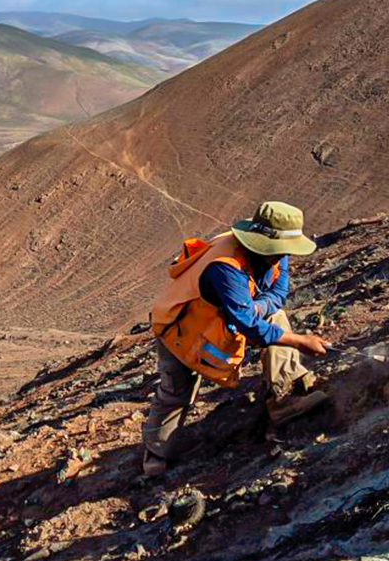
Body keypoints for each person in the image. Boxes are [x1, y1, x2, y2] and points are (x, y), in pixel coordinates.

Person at [141, 201, 332, 476]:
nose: (284, 256)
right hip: (182, 330)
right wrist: (300, 341)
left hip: (221, 323)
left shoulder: (277, 252)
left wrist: (257, 308)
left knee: (276, 317)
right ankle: (156, 451)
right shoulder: (226, 266)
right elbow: (249, 326)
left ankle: (282, 398)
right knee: (176, 393)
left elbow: (278, 293)